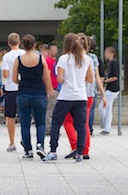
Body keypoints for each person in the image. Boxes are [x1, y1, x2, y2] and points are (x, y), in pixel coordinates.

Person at [43, 33, 94, 163]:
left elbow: (59, 79)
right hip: (81, 96)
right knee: (81, 125)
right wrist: (79, 79)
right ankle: (80, 154)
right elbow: (90, 79)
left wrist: (67, 78)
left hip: (66, 96)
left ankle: (53, 151)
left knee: (56, 123)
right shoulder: (86, 59)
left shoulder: (63, 59)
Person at [63, 33, 107, 160]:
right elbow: (96, 78)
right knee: (84, 123)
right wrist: (102, 95)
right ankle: (85, 149)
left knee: (68, 120)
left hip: (73, 94)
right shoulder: (92, 58)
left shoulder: (70, 57)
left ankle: (75, 145)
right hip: (89, 93)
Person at [13, 35, 53, 159]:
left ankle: (28, 150)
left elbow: (14, 79)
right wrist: (48, 91)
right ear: (35, 45)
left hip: (23, 93)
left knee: (25, 124)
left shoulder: (18, 59)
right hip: (39, 92)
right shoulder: (41, 59)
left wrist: (23, 83)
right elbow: (46, 77)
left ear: (23, 46)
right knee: (40, 123)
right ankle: (40, 145)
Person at [1, 32, 25, 152]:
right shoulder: (25, 54)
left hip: (11, 88)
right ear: (19, 42)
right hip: (24, 87)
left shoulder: (7, 57)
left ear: (8, 43)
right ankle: (25, 139)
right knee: (24, 115)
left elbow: (5, 74)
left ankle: (12, 142)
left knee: (10, 116)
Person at [99, 46, 120, 135]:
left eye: (106, 53)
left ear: (111, 53)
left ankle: (105, 125)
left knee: (102, 107)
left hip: (113, 89)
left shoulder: (114, 63)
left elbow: (115, 77)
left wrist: (105, 81)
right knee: (108, 109)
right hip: (111, 88)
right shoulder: (110, 63)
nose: (105, 55)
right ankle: (107, 128)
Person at [39, 44, 59, 136]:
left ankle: (50, 128)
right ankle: (48, 129)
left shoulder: (53, 61)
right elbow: (48, 75)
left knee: (52, 109)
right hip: (52, 88)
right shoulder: (48, 61)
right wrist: (49, 89)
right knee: (50, 109)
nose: (55, 51)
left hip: (55, 87)